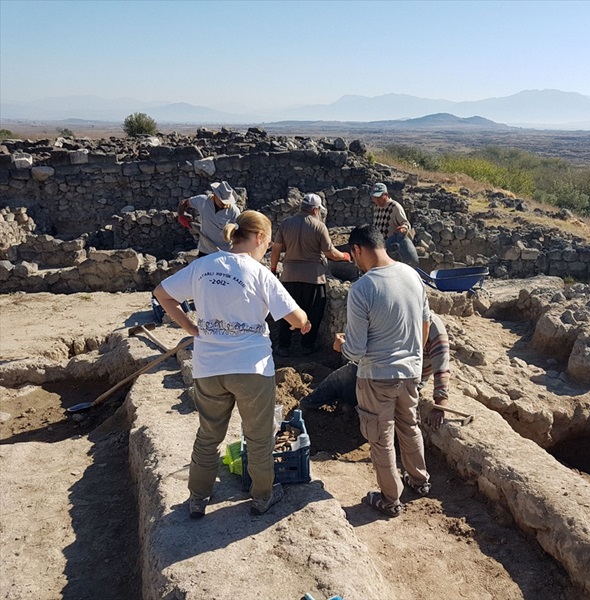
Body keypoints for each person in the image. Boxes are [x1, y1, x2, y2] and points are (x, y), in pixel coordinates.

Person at [153, 210, 312, 519]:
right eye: (267, 243)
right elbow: (295, 317)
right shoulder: (259, 272)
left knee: (208, 436)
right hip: (251, 368)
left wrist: (190, 328)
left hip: (209, 366)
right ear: (260, 237)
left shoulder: (203, 266)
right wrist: (303, 323)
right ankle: (262, 498)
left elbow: (162, 294)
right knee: (259, 437)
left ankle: (198, 499)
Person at [333, 224, 431, 517]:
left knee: (381, 438)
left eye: (354, 256)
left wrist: (340, 346)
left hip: (377, 376)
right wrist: (414, 356)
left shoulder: (363, 288)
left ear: (358, 249)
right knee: (409, 426)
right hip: (410, 372)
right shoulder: (412, 275)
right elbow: (425, 322)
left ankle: (390, 499)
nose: (356, 262)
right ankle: (420, 480)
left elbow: (356, 349)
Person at [302, 313, 451, 431]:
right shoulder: (399, 316)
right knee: (346, 374)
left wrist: (440, 406)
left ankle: (356, 408)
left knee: (352, 379)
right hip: (382, 370)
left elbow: (442, 369)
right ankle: (310, 404)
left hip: (409, 381)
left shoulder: (434, 330)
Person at [269, 193, 351, 357]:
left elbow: (276, 249)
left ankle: (283, 346)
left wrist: (273, 269)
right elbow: (330, 253)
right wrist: (344, 256)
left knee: (287, 311)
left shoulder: (286, 223)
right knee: (313, 313)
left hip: (289, 275)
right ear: (315, 210)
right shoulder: (319, 226)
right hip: (313, 278)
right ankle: (307, 346)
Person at [177, 181, 241, 256]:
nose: (224, 204)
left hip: (224, 252)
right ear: (215, 195)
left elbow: (239, 233)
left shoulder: (234, 211)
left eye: (226, 202)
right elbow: (184, 203)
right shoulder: (203, 202)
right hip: (205, 250)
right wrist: (181, 216)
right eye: (222, 201)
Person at [370, 182, 419, 266]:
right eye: (375, 198)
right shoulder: (377, 208)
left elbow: (406, 223)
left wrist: (403, 228)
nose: (377, 200)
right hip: (381, 247)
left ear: (386, 194)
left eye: (379, 197)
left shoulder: (395, 207)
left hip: (393, 249)